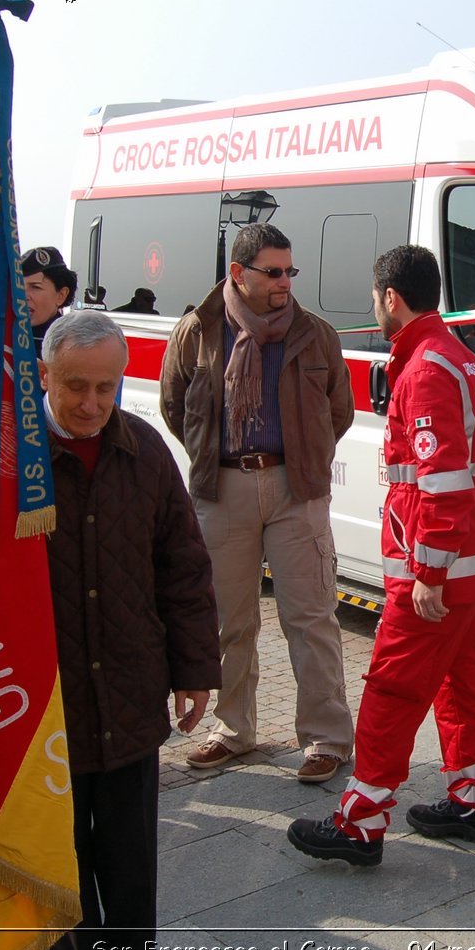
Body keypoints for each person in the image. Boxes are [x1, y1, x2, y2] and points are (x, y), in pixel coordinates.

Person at [287, 244, 475, 867]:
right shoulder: (458, 358)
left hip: (441, 570)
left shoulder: (424, 369)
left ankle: (360, 824)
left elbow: (440, 480)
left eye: (374, 298)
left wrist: (429, 572)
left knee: (392, 690)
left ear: (391, 297)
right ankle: (473, 801)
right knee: (465, 686)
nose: (374, 307)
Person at [39, 311, 221, 950]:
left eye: (106, 387)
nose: (91, 404)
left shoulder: (145, 452)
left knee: (129, 869)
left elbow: (184, 568)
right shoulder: (11, 462)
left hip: (127, 694)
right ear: (45, 376)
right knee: (59, 872)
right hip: (45, 710)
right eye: (76, 387)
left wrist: (194, 671)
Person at [159, 222, 356, 784]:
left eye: (290, 271)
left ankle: (326, 738)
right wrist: (217, 457)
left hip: (298, 489)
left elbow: (337, 410)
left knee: (311, 617)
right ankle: (234, 730)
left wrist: (304, 455)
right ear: (238, 274)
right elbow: (177, 407)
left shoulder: (315, 333)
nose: (285, 282)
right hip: (223, 490)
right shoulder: (197, 331)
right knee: (228, 619)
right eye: (273, 272)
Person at [20, 245, 77, 345]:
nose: (23, 296)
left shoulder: (75, 344)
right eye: (18, 287)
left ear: (61, 295)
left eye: (35, 287)